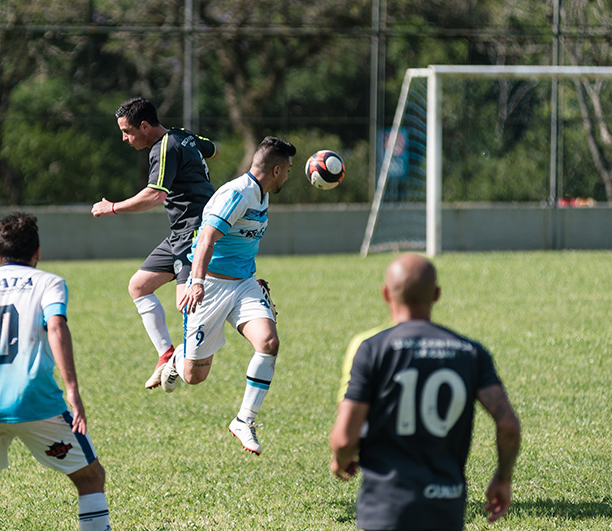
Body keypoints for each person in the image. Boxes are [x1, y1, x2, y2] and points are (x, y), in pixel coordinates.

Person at [0, 212, 111, 531]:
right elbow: (56, 326)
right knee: (91, 477)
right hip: (35, 400)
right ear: (38, 252)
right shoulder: (49, 282)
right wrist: (73, 391)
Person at [329, 253, 521, 530]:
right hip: (446, 507)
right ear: (437, 294)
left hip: (385, 508)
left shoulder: (372, 350)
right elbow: (509, 425)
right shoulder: (470, 351)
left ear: (386, 294)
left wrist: (341, 459)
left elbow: (344, 438)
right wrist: (503, 478)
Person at [159, 136, 296, 456]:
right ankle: (180, 358)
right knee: (195, 377)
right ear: (276, 170)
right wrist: (195, 282)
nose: (288, 176)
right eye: (287, 170)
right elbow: (206, 239)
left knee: (269, 343)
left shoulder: (262, 194)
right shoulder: (237, 194)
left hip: (244, 284)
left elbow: (242, 243)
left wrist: (251, 280)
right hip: (209, 286)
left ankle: (244, 421)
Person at [91, 97, 218, 390]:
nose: (124, 138)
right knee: (138, 286)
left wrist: (112, 207)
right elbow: (213, 149)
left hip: (195, 231)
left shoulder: (163, 148)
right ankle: (166, 355)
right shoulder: (183, 136)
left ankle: (186, 356)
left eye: (127, 131)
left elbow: (155, 195)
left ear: (145, 126)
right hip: (179, 232)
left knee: (187, 305)